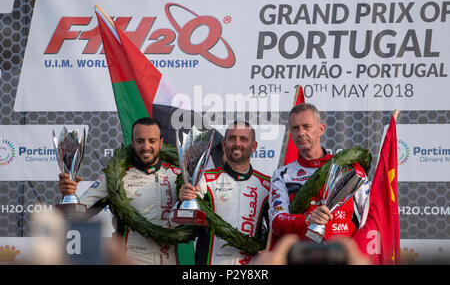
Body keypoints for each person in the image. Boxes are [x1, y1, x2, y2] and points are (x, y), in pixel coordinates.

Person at [58, 117, 181, 265]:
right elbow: (78, 215)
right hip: (129, 260)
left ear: (161, 143)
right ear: (133, 142)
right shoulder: (115, 176)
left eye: (152, 141)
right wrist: (68, 195)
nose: (146, 146)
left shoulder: (178, 176)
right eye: (140, 140)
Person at [269, 103, 370, 246]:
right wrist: (307, 220)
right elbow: (277, 221)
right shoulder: (282, 175)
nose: (301, 133)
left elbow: (370, 213)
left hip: (344, 253)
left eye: (306, 126)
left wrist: (360, 249)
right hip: (304, 255)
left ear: (321, 129)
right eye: (295, 128)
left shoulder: (349, 166)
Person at [178, 121, 271, 265]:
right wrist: (183, 199)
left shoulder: (267, 185)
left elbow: (276, 230)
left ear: (254, 147)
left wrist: (271, 250)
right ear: (223, 144)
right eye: (232, 138)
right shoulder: (204, 179)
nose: (237, 143)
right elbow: (184, 221)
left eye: (243, 139)